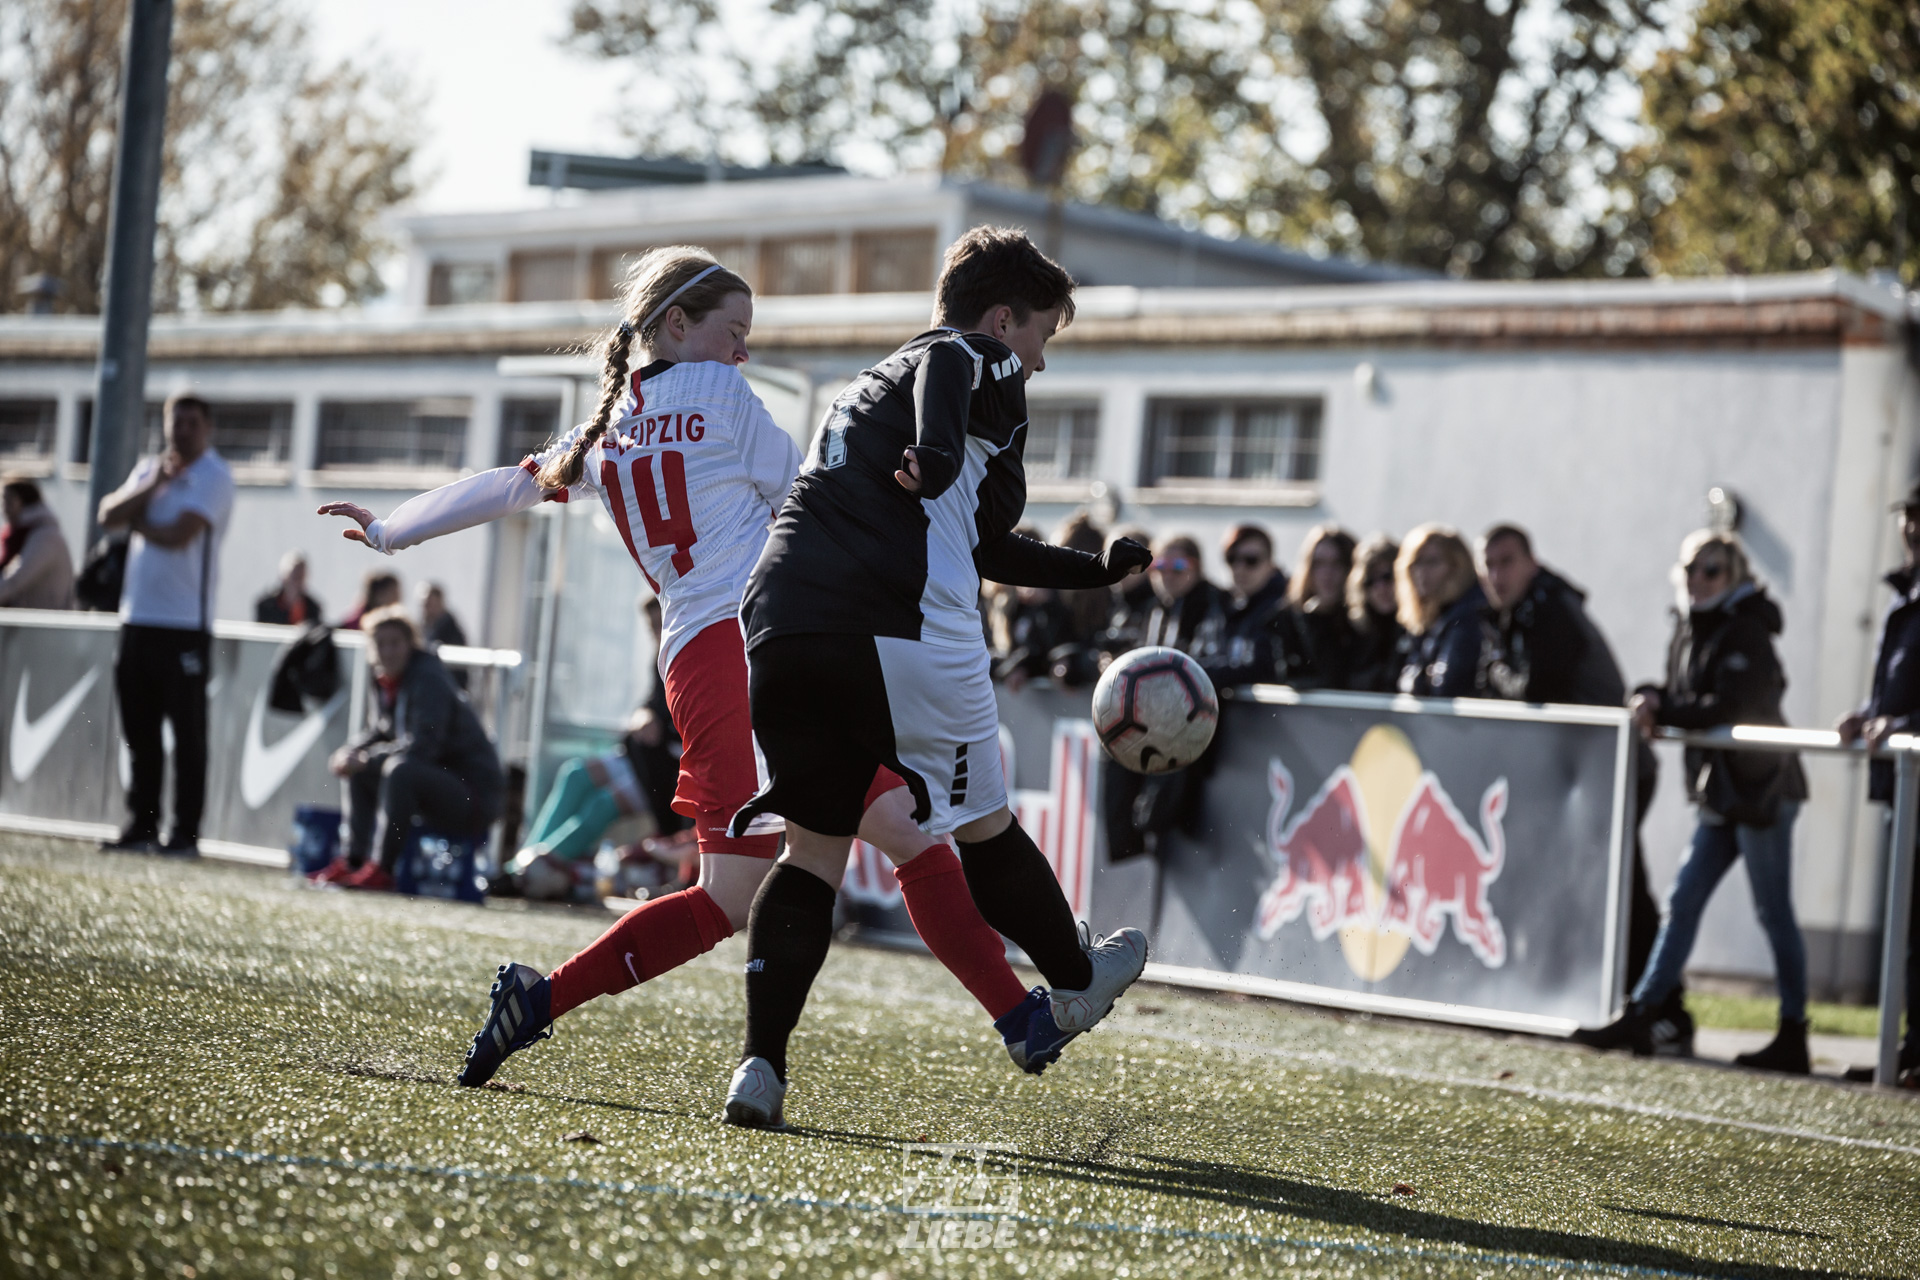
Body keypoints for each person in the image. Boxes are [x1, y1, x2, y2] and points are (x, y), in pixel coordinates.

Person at [319, 245, 1073, 1092]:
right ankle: (1017, 1015)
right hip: (763, 649)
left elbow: (507, 487)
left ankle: (536, 1004)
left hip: (692, 664)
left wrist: (392, 531)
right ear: (675, 325)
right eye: (734, 331)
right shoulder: (723, 396)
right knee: (894, 836)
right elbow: (814, 495)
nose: (743, 351)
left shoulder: (608, 427)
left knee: (741, 888)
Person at [724, 226, 1153, 1127]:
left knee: (813, 850)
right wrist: (945, 452)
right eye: (1042, 335)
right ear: (1003, 319)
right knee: (984, 827)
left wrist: (1094, 571)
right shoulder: (969, 359)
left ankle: (760, 1068)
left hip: (779, 620)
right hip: (901, 623)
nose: (1038, 363)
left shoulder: (869, 386)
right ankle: (1074, 984)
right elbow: (956, 371)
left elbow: (986, 542)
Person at [1576, 531, 1811, 1072]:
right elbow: (1686, 695)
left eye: (1713, 571)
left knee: (1772, 914)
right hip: (1723, 789)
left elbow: (1731, 704)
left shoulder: (1747, 629)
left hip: (1763, 787)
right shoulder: (1689, 624)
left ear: (1734, 577)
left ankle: (1794, 1031)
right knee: (1683, 902)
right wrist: (1653, 695)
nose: (1698, 580)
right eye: (1691, 570)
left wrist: (1666, 708)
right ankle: (1643, 1011)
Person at [1475, 523, 1683, 1048]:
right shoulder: (1514, 614)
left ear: (1531, 562)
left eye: (1507, 561)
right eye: (1490, 564)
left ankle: (1667, 1010)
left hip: (1614, 767)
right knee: (1591, 888)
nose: (1498, 574)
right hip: (1581, 773)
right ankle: (1600, 999)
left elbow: (1537, 687)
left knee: (1624, 888)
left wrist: (1498, 673)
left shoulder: (1549, 608)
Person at [95, 392, 235, 856]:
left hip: (184, 625)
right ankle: (141, 825)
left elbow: (179, 536)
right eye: (177, 421)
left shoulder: (214, 476)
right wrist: (150, 484)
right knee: (140, 731)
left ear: (207, 428)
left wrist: (136, 523)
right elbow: (106, 515)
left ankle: (185, 834)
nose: (183, 430)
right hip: (137, 619)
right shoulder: (149, 470)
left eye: (193, 422)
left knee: (188, 734)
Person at [312, 606, 503, 890]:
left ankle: (383, 870)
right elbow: (379, 730)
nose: (388, 651)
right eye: (380, 644)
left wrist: (367, 759)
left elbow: (423, 747)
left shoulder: (428, 678)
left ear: (410, 644)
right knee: (362, 768)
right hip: (435, 780)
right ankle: (354, 861)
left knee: (398, 769)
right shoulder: (383, 679)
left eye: (395, 643)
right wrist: (350, 752)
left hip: (474, 796)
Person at [1837, 485, 1920, 1085]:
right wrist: (1866, 713)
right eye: (1909, 516)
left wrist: (1906, 725)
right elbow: (1895, 683)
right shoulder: (1904, 594)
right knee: (1910, 923)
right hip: (1904, 782)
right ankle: (1910, 1047)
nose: (1912, 527)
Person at [1395, 524, 1484, 698]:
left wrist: (1421, 679)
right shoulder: (1432, 617)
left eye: (1432, 562)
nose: (1422, 572)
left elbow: (1446, 685)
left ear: (1457, 566)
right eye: (1416, 563)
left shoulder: (1467, 613)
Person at [1282, 523, 1357, 688]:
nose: (1327, 574)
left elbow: (1337, 677)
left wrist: (1319, 620)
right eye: (1319, 564)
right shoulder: (1288, 617)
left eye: (1336, 563)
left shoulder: (1360, 622)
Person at [0, 476, 76, 610]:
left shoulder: (45, 537)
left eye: (9, 501)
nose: (4, 509)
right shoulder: (18, 534)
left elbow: (15, 580)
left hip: (44, 625)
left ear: (24, 501)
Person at [1344, 534, 1404, 693]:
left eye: (1388, 577)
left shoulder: (1417, 628)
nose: (1381, 588)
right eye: (1370, 581)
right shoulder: (1355, 629)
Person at [419, 582, 470, 689]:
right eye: (424, 605)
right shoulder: (424, 627)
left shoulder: (450, 629)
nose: (426, 609)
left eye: (429, 604)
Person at [254, 550, 322, 626]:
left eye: (301, 577)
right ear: (283, 576)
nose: (297, 583)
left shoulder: (312, 607)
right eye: (295, 576)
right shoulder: (267, 606)